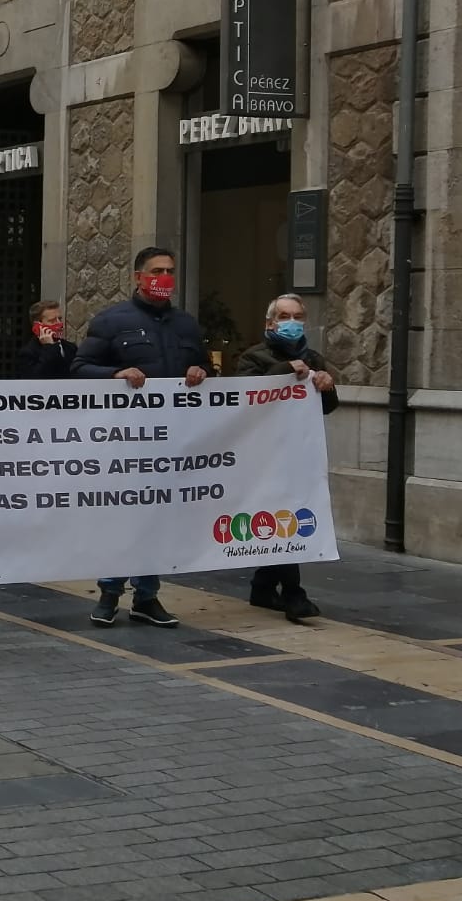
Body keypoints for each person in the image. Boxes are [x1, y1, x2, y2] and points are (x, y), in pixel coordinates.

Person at [72, 246, 209, 628]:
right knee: (124, 518)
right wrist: (114, 376)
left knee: (158, 519)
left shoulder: (186, 325)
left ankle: (147, 597)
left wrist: (200, 372)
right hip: (124, 443)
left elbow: (201, 370)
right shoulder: (112, 321)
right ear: (138, 277)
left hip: (173, 442)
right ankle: (109, 592)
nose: (164, 278)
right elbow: (79, 368)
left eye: (169, 271)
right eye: (156, 271)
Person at [233, 293, 340, 623]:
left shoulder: (313, 358)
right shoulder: (253, 357)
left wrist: (327, 385)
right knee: (283, 519)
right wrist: (282, 370)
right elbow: (241, 397)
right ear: (270, 322)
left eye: (296, 316)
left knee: (287, 515)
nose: (290, 322)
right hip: (263, 454)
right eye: (283, 316)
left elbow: (327, 407)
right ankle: (295, 595)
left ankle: (263, 586)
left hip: (298, 454)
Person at [15, 299, 78, 380]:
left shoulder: (71, 348)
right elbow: (36, 379)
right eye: (52, 321)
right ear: (38, 325)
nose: (59, 324)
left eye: (60, 319)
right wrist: (49, 347)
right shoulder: (27, 353)